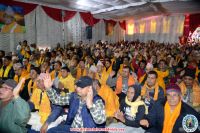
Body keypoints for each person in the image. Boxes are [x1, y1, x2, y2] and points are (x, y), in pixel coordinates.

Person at [41, 75, 106, 133]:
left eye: (81, 87)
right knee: (51, 131)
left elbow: (100, 120)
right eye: (78, 86)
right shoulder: (74, 96)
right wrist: (48, 88)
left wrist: (91, 106)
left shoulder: (97, 100)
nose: (77, 89)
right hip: (73, 128)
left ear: (90, 88)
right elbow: (56, 100)